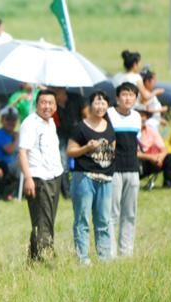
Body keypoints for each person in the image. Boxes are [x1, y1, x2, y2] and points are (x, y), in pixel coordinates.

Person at [67, 91, 116, 265]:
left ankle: (104, 258)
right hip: (84, 177)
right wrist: (86, 148)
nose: (100, 106)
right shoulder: (81, 127)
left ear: (108, 106)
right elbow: (70, 151)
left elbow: (112, 151)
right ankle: (83, 259)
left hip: (105, 179)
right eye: (97, 103)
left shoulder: (109, 127)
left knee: (103, 220)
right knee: (82, 219)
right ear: (90, 105)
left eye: (104, 103)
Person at [18, 89, 64, 261]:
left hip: (54, 175)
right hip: (39, 177)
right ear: (36, 104)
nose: (47, 106)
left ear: (55, 105)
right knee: (42, 218)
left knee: (48, 217)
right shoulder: (30, 124)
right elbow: (22, 152)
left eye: (50, 103)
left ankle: (34, 257)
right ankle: (46, 257)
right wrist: (28, 178)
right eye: (43, 102)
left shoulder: (50, 122)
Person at [107, 82, 141, 258]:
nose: (128, 98)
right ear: (117, 98)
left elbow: (137, 144)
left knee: (130, 213)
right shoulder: (109, 115)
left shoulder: (137, 117)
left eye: (131, 95)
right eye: (124, 95)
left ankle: (126, 252)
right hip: (114, 170)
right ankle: (111, 253)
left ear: (136, 98)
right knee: (112, 213)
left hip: (132, 170)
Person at [52, 87, 85, 199]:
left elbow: (86, 114)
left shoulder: (76, 98)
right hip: (60, 134)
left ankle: (81, 187)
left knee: (80, 160)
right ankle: (66, 191)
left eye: (58, 89)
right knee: (63, 162)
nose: (57, 92)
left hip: (77, 133)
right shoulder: (52, 102)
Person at [135, 104, 171, 188]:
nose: (142, 118)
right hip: (139, 161)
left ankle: (168, 185)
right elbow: (133, 153)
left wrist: (160, 158)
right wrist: (151, 158)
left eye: (144, 116)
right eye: (139, 115)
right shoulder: (129, 131)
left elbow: (163, 148)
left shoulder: (151, 131)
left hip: (153, 160)